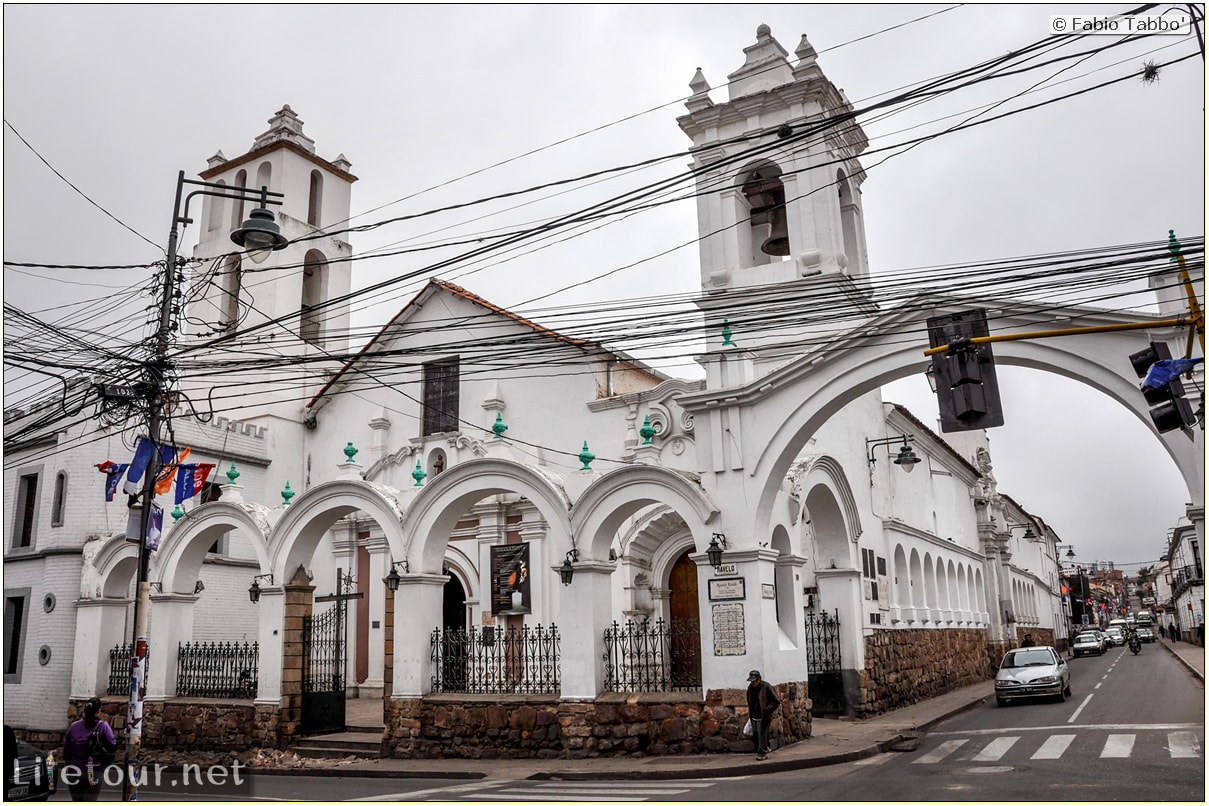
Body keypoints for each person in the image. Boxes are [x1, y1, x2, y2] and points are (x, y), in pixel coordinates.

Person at [62, 697, 116, 801]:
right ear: (98, 711)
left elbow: (67, 750)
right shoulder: (103, 727)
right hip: (95, 771)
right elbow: (112, 747)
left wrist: (70, 766)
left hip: (75, 771)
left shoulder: (74, 727)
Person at [745, 669, 780, 761]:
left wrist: (767, 709)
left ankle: (762, 752)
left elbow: (776, 701)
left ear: (759, 679)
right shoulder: (750, 689)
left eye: (754, 681)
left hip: (764, 715)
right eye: (751, 681)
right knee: (756, 733)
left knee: (762, 734)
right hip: (754, 715)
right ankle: (765, 747)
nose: (753, 683)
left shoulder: (766, 687)